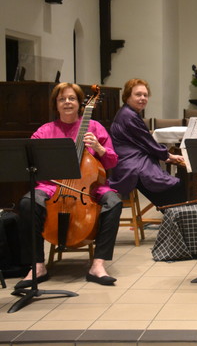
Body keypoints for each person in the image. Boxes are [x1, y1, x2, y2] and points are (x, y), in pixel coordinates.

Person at [16, 82, 122, 288]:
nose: (67, 102)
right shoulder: (45, 131)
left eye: (72, 98)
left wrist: (99, 148)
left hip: (90, 188)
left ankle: (98, 265)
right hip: (51, 187)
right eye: (62, 99)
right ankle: (37, 265)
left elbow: (112, 161)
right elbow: (29, 161)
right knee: (28, 203)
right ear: (55, 104)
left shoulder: (94, 127)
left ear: (80, 103)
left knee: (114, 202)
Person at [108, 78, 187, 207]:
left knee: (174, 184)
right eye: (138, 94)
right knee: (176, 186)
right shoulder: (129, 115)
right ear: (127, 96)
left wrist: (166, 156)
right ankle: (176, 221)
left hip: (132, 162)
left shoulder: (128, 112)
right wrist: (168, 156)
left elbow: (144, 142)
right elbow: (147, 142)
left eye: (145, 95)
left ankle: (174, 218)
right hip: (132, 166)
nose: (143, 98)